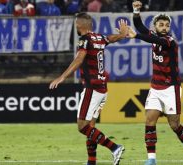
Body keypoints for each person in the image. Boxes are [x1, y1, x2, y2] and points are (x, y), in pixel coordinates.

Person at [49, 13, 128, 165]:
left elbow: (79, 59)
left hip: (92, 88)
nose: (75, 26)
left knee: (82, 126)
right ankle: (91, 161)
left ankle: (115, 148)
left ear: (79, 25)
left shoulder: (84, 40)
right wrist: (122, 34)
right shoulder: (98, 37)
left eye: (76, 24)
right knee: (91, 126)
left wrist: (62, 77)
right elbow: (111, 38)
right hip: (103, 88)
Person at [129, 1, 183, 165]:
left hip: (170, 88)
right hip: (155, 87)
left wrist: (137, 36)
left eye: (167, 25)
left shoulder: (170, 41)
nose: (165, 27)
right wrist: (136, 10)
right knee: (149, 120)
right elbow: (139, 26)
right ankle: (151, 159)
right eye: (161, 25)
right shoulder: (153, 37)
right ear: (155, 26)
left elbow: (144, 35)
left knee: (174, 125)